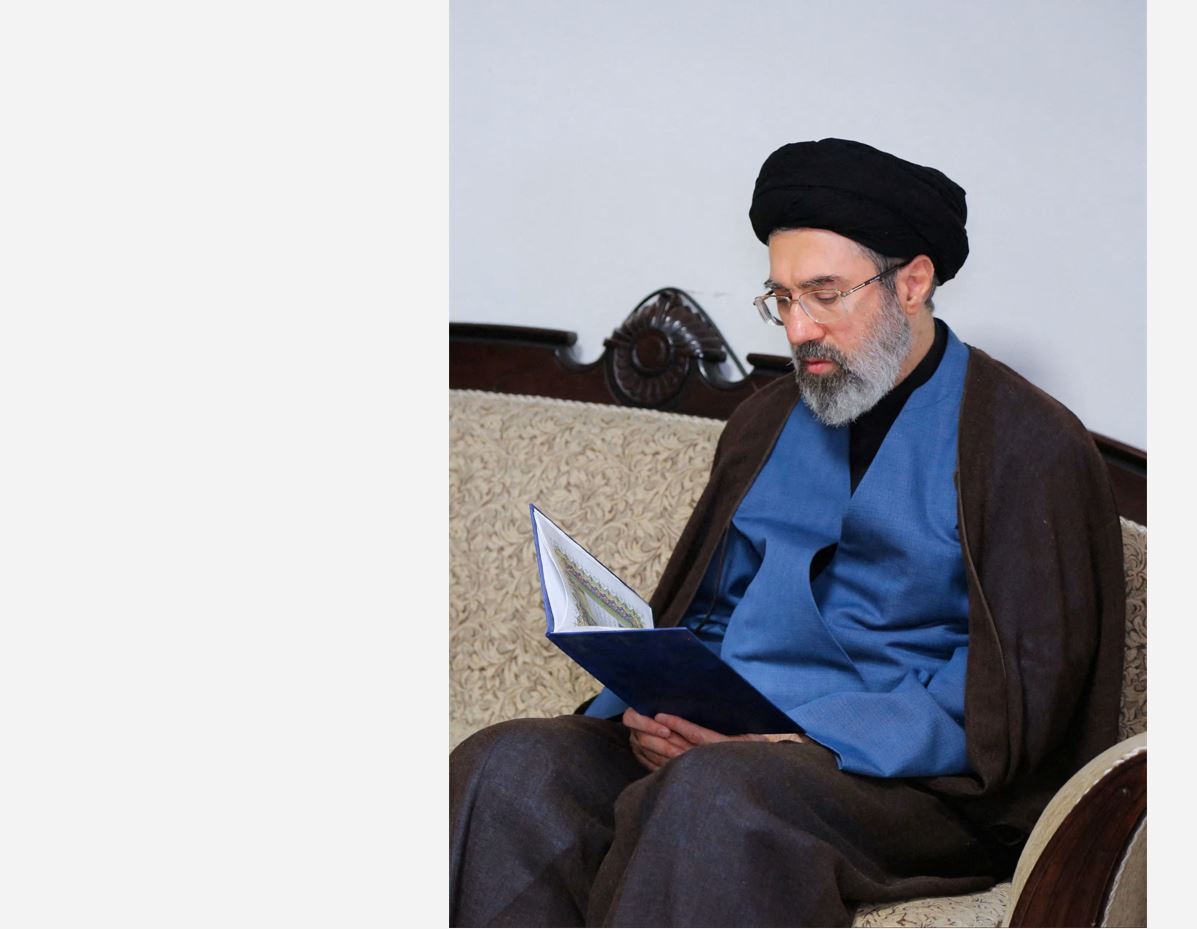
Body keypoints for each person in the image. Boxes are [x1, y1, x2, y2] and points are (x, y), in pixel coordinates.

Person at [449, 138, 1126, 927]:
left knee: (715, 798)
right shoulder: (767, 420)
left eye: (825, 295)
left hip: (905, 783)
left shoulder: (1027, 445)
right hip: (727, 744)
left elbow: (1015, 703)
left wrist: (809, 739)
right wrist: (658, 706)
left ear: (912, 282)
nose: (799, 328)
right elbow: (707, 610)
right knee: (510, 766)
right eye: (782, 298)